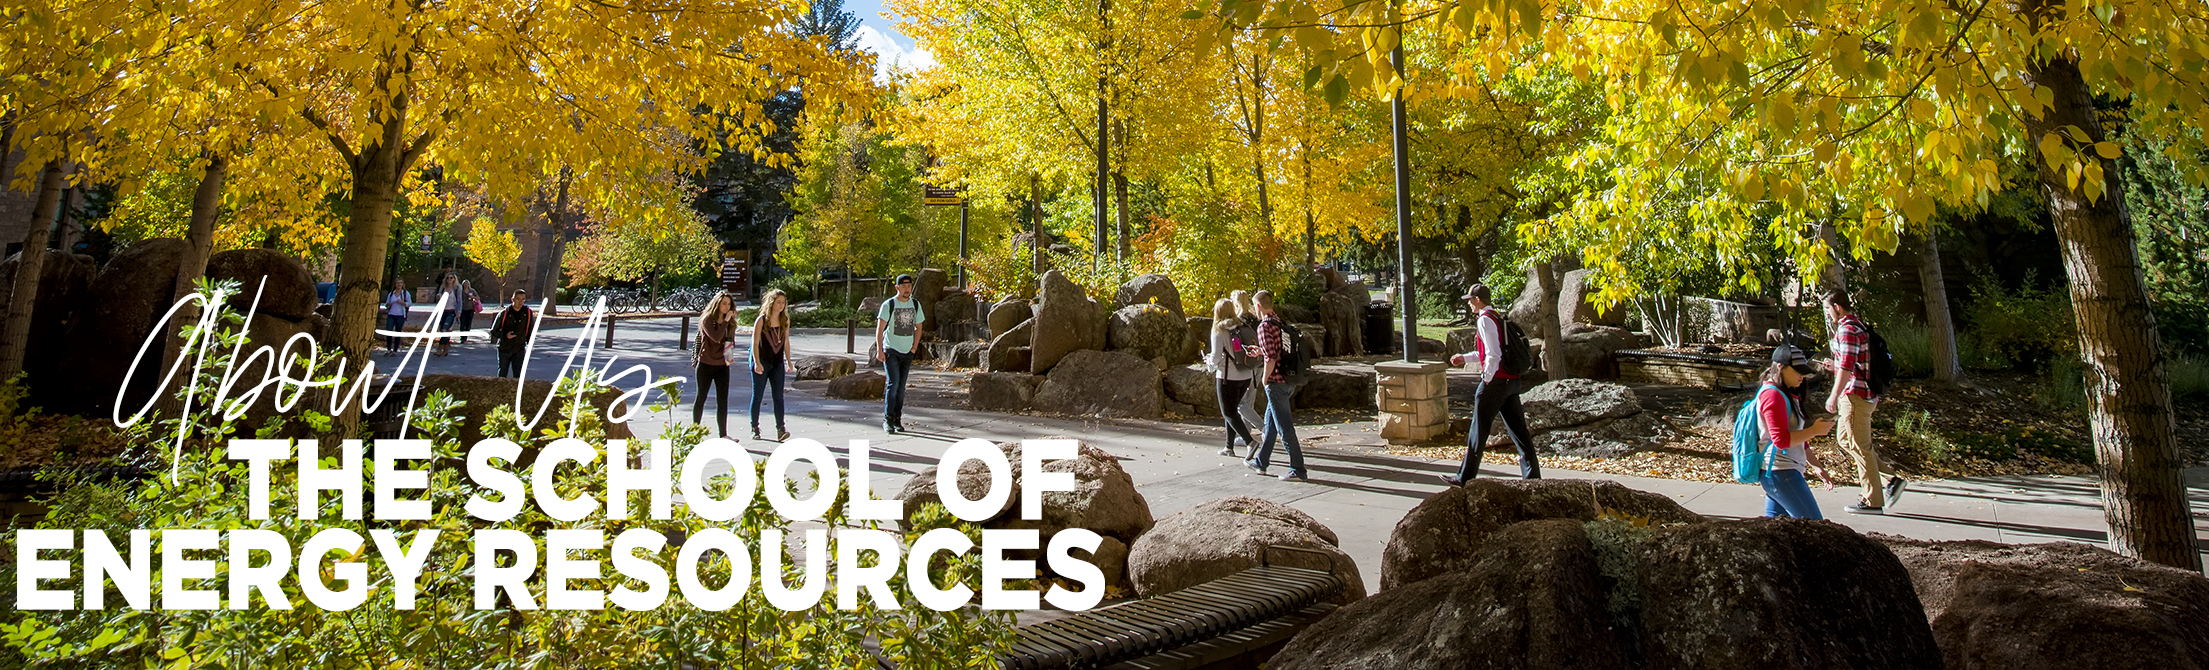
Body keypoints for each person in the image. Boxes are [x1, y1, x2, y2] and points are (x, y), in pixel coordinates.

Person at [1442, 283, 1540, 485]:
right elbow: (1490, 352)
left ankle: (1464, 477)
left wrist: (1487, 380)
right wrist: (1465, 358)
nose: (1469, 304)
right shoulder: (1498, 317)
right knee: (1519, 432)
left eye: (1470, 300)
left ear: (1477, 300)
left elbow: (1493, 355)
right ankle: (1532, 478)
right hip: (1511, 382)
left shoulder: (1485, 320)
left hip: (1495, 383)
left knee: (1478, 431)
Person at [1821, 291, 1905, 513]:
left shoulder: (1847, 329)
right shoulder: (1858, 325)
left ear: (1837, 307)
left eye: (1828, 309)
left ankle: (1872, 501)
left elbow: (1848, 367)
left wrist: (1833, 394)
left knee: (1860, 445)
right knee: (1845, 440)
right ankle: (1890, 480)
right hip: (1861, 394)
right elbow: (1851, 363)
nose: (1828, 314)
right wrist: (1834, 367)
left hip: (1855, 396)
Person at [1757, 345, 1838, 519]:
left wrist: (1816, 465)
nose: (1802, 376)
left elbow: (1797, 435)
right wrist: (1815, 431)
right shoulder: (1773, 395)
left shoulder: (1784, 394)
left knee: (1777, 534)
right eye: (1798, 371)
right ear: (1781, 367)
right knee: (1815, 527)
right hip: (1782, 472)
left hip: (1779, 473)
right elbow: (1781, 440)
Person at [1246, 290, 1308, 481]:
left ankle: (1298, 469)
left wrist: (1264, 380)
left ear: (1258, 306)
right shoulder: (1280, 323)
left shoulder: (1264, 326)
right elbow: (1277, 351)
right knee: (1271, 425)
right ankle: (1261, 461)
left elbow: (1271, 358)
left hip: (1276, 383)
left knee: (1284, 428)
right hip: (1288, 380)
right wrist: (1260, 351)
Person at [872, 274, 927, 434]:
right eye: (903, 286)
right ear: (897, 288)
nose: (906, 289)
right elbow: (880, 329)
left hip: (907, 351)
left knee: (901, 388)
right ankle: (887, 419)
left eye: (909, 286)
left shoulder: (915, 305)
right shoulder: (889, 305)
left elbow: (919, 327)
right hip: (891, 350)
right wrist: (879, 350)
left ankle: (897, 419)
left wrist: (914, 348)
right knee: (893, 384)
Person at [1208, 298, 1257, 457]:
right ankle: (1229, 447)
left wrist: (1209, 362)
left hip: (1228, 376)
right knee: (1233, 410)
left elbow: (1215, 357)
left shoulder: (1219, 329)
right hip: (1246, 375)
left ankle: (1250, 442)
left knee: (1228, 412)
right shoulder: (1242, 325)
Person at [694, 291, 738, 438]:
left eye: (729, 304)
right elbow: (715, 338)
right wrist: (725, 321)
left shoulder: (730, 322)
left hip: (722, 365)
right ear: (717, 303)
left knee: (722, 400)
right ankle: (694, 432)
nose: (726, 307)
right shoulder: (707, 319)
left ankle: (723, 435)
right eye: (723, 303)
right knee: (701, 397)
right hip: (706, 363)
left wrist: (729, 359)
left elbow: (730, 342)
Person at [750, 289, 792, 441]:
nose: (781, 305)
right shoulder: (762, 320)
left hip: (777, 363)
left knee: (778, 397)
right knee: (758, 396)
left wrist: (788, 360)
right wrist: (756, 362)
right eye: (778, 302)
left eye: (783, 303)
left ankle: (781, 429)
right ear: (771, 302)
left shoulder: (785, 320)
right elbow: (755, 343)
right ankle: (754, 427)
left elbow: (786, 342)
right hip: (762, 361)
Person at [1229, 289, 1265, 434]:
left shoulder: (1238, 322)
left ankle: (1263, 428)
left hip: (1246, 365)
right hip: (1259, 362)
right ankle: (1246, 432)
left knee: (1240, 403)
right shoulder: (1256, 319)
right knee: (1249, 400)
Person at [490, 290, 534, 378]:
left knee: (518, 374)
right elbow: (494, 331)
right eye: (518, 299)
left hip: (519, 348)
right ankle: (501, 391)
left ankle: (516, 391)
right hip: (504, 348)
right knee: (502, 372)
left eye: (523, 299)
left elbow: (530, 330)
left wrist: (529, 344)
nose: (520, 302)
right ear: (512, 299)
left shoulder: (527, 313)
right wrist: (505, 335)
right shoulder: (504, 313)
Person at [434, 272, 461, 357]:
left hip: (451, 311)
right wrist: (438, 297)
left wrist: (459, 312)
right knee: (442, 329)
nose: (449, 279)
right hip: (442, 312)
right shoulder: (442, 288)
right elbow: (438, 297)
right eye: (448, 278)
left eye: (451, 278)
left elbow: (459, 301)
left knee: (444, 330)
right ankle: (446, 349)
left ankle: (439, 348)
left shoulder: (456, 289)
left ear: (454, 279)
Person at [383, 279, 411, 356]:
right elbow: (386, 304)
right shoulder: (391, 294)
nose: (399, 284)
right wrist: (388, 304)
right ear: (395, 285)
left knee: (398, 332)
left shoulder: (405, 293)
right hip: (391, 314)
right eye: (397, 283)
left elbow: (409, 303)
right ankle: (389, 349)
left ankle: (395, 350)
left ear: (403, 284)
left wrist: (402, 303)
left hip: (400, 315)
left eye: (400, 283)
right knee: (388, 331)